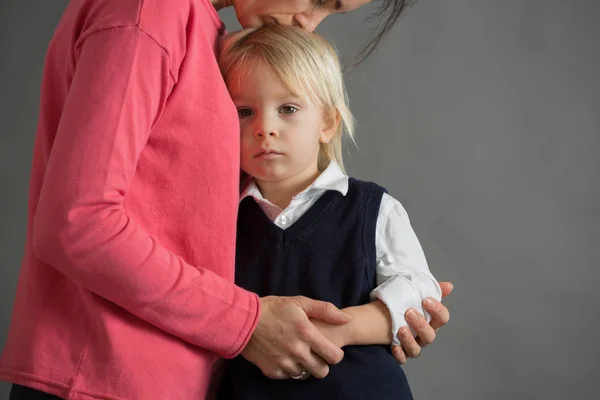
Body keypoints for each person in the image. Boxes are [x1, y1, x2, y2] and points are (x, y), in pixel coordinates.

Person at [0, 1, 452, 399]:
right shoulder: (148, 13)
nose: (307, 22)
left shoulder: (207, 36)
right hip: (102, 378)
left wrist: (395, 313)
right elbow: (80, 221)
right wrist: (248, 323)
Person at [215, 24, 442, 399]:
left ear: (327, 123)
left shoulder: (370, 208)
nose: (264, 128)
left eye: (288, 109)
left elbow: (417, 290)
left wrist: (344, 328)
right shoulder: (223, 217)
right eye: (244, 111)